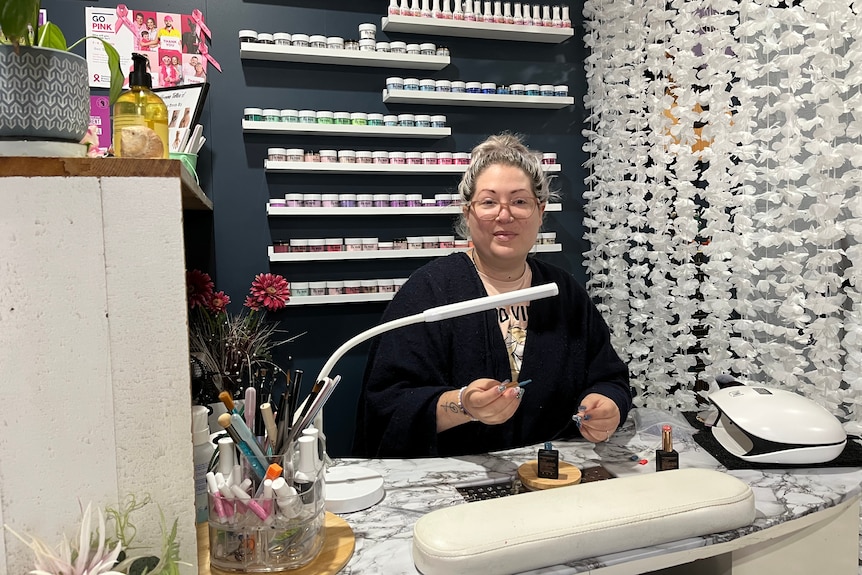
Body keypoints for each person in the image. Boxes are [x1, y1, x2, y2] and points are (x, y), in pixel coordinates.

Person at [353, 133, 632, 458]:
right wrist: (463, 404)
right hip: (452, 484)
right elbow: (386, 404)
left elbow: (609, 376)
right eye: (488, 202)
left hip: (554, 479)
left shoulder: (564, 293)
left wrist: (608, 405)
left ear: (540, 211)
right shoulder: (431, 290)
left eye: (519, 201)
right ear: (468, 213)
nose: (504, 215)